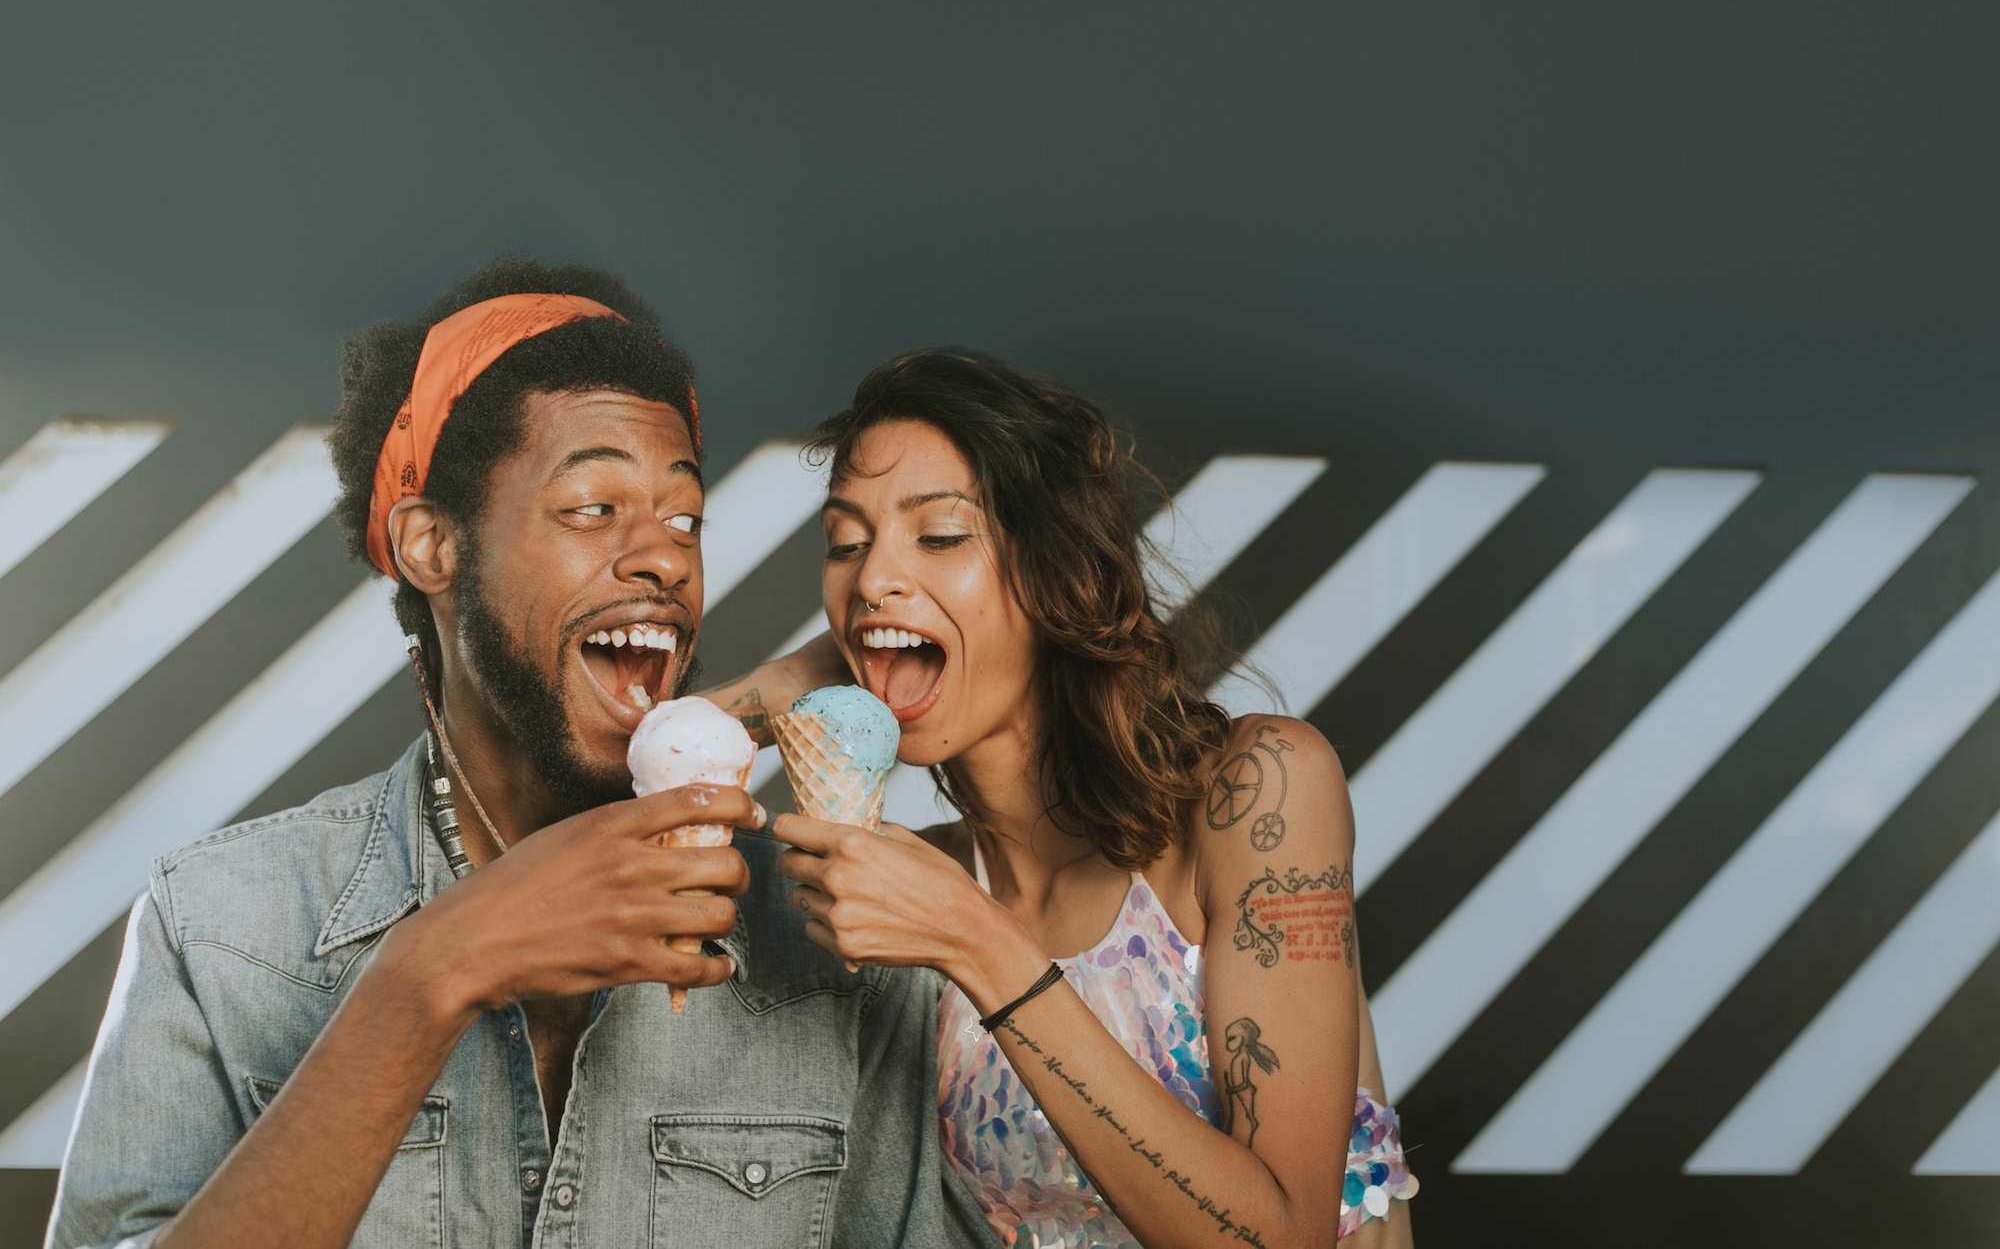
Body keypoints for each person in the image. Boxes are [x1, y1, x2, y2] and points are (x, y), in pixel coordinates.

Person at [45, 260, 994, 1249]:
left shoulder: (839, 936)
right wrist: (430, 972)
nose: (665, 556)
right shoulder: (216, 929)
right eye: (592, 508)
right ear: (431, 546)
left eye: (685, 518)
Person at [707, 349, 1418, 1247]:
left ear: (1053, 573)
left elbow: (1280, 1235)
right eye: (845, 544)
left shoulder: (1255, 793)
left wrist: (977, 939)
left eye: (939, 535)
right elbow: (604, 807)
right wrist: (789, 680)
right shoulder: (910, 883)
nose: (871, 575)